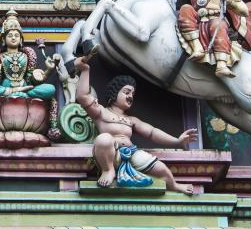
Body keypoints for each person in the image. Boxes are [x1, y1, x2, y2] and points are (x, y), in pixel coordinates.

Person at [74, 56, 197, 193]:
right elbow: (83, 97)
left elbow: (152, 132)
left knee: (161, 168)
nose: (130, 96)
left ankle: (174, 185)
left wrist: (177, 141)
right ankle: (108, 170)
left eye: (132, 93)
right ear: (114, 93)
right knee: (104, 139)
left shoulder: (132, 120)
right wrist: (85, 70)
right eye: (126, 92)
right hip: (110, 155)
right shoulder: (101, 112)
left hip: (131, 154)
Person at [0, 9, 55, 100]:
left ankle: (18, 92)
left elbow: (33, 81)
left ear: (21, 40)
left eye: (16, 36)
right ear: (4, 40)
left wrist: (48, 70)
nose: (13, 38)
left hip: (26, 87)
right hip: (5, 87)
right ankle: (15, 91)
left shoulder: (26, 55)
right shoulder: (0, 56)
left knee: (50, 89)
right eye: (10, 36)